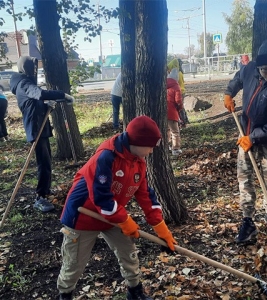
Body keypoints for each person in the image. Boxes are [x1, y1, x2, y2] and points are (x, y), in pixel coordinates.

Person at [57, 115, 177, 300]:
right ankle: (65, 295)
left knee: (128, 253)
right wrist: (125, 221)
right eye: (151, 146)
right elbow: (101, 197)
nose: (152, 151)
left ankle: (134, 292)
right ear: (138, 142)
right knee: (74, 263)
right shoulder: (106, 157)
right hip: (83, 216)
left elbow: (145, 194)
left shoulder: (139, 161)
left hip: (113, 215)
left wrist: (161, 228)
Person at [224, 39, 267, 244]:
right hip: (245, 135)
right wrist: (229, 93)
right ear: (258, 66)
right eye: (265, 70)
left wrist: (253, 137)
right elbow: (238, 78)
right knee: (245, 180)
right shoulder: (250, 69)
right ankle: (248, 221)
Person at [10, 56, 74, 213]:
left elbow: (35, 103)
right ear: (24, 68)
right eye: (31, 67)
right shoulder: (24, 83)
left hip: (40, 126)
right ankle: (40, 196)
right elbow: (38, 94)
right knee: (43, 163)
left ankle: (45, 190)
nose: (33, 70)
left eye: (35, 67)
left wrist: (47, 106)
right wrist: (62, 95)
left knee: (46, 162)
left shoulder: (24, 82)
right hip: (35, 128)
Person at [167, 58, 189, 127]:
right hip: (182, 90)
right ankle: (184, 120)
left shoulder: (176, 74)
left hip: (179, 91)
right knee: (180, 107)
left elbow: (176, 83)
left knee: (179, 107)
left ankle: (182, 121)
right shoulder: (180, 72)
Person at [167, 69, 183, 155]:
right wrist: (180, 107)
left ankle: (165, 147)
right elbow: (178, 100)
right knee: (175, 131)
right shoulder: (176, 86)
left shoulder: (163, 85)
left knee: (166, 131)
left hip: (162, 112)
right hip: (172, 112)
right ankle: (176, 149)